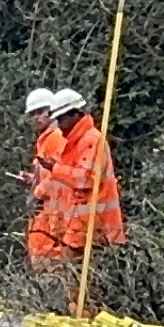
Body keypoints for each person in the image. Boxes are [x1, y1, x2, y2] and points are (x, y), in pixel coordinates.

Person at [34, 88, 126, 272]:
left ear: (75, 115)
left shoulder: (92, 140)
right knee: (71, 277)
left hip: (99, 228)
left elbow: (85, 180)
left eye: (62, 119)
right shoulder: (72, 143)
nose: (59, 125)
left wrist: (55, 168)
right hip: (78, 230)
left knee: (91, 279)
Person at [20, 88, 72, 271]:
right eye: (32, 113)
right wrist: (32, 180)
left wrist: (37, 193)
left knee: (53, 265)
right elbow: (47, 173)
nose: (36, 117)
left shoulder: (56, 138)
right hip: (46, 213)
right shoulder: (44, 139)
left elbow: (60, 174)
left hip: (55, 214)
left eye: (40, 112)